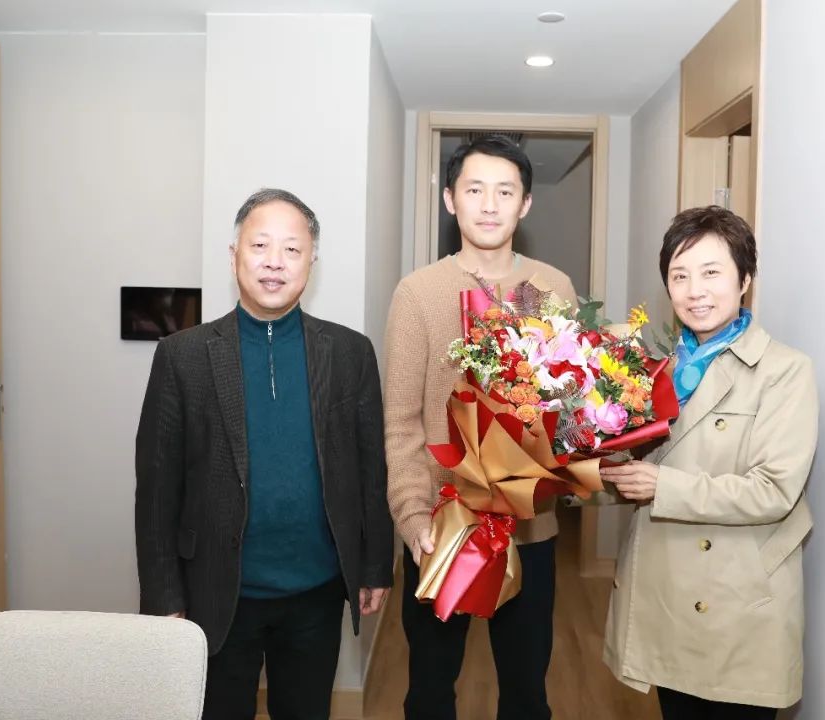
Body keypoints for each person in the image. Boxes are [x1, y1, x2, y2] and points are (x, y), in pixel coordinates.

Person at [135, 188, 393, 720]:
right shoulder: (183, 356)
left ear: (311, 262)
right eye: (260, 245)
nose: (275, 261)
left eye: (292, 249)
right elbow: (157, 491)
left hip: (317, 591)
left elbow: (372, 471)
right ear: (234, 255)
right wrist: (164, 596)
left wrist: (375, 566)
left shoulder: (350, 353)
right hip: (216, 592)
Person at [383, 134, 576, 720]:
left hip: (530, 528)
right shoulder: (418, 293)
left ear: (526, 204)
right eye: (474, 190)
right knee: (430, 689)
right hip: (442, 528)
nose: (489, 205)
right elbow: (401, 421)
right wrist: (414, 518)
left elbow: (571, 409)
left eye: (505, 191)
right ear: (450, 200)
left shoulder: (553, 289)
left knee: (526, 691)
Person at [600, 206, 819, 720]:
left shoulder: (785, 370)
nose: (694, 290)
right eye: (680, 276)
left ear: (745, 280)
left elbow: (774, 491)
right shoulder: (653, 366)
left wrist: (661, 485)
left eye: (711, 272)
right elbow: (634, 464)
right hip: (665, 593)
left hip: (736, 601)